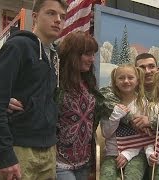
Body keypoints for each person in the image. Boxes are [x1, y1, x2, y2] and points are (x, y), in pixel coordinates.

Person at [0, 0, 67, 179]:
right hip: (18, 148)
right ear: (35, 17)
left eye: (62, 16)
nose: (58, 20)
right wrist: (5, 155)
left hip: (48, 150)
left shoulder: (55, 57)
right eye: (51, 13)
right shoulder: (18, 47)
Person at [55, 31, 106, 180]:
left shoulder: (89, 84)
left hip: (84, 161)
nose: (92, 59)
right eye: (87, 54)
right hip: (60, 162)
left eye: (93, 54)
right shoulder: (56, 84)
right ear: (73, 55)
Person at [100, 64, 150, 180]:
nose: (126, 81)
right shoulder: (109, 103)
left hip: (136, 154)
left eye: (130, 78)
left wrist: (128, 154)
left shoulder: (143, 103)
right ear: (115, 81)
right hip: (112, 153)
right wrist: (115, 116)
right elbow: (106, 133)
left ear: (137, 81)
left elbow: (146, 136)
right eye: (121, 78)